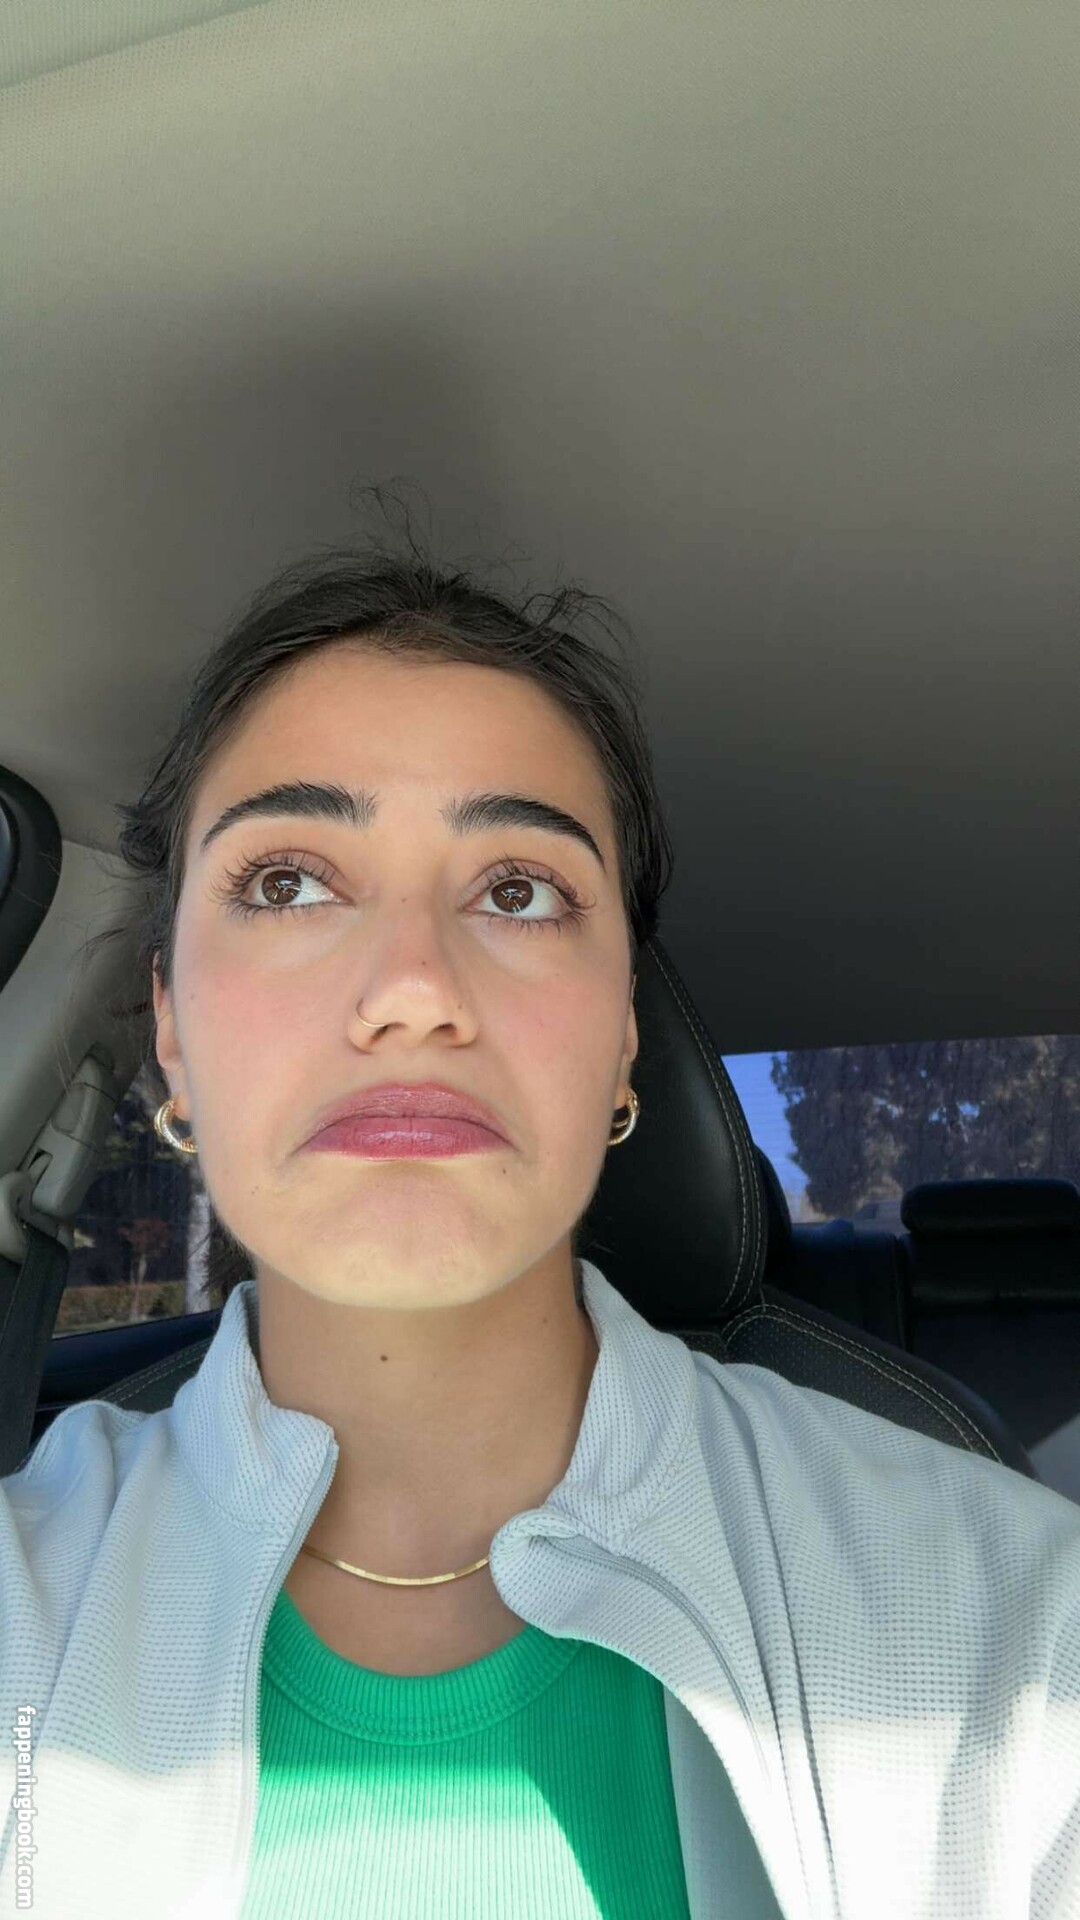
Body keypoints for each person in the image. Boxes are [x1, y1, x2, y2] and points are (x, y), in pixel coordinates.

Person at [3, 494, 1080, 1920]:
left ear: (624, 1037)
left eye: (516, 891)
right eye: (289, 880)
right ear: (171, 1032)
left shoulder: (1009, 1622)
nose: (412, 990)